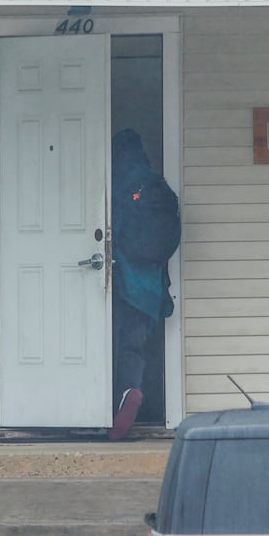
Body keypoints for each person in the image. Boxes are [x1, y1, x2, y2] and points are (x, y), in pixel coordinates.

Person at [109, 128, 179, 440]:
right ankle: (133, 392)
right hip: (150, 286)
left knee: (112, 345)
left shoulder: (118, 183)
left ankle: (115, 403)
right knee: (135, 345)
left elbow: (110, 233)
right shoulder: (155, 183)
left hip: (123, 282)